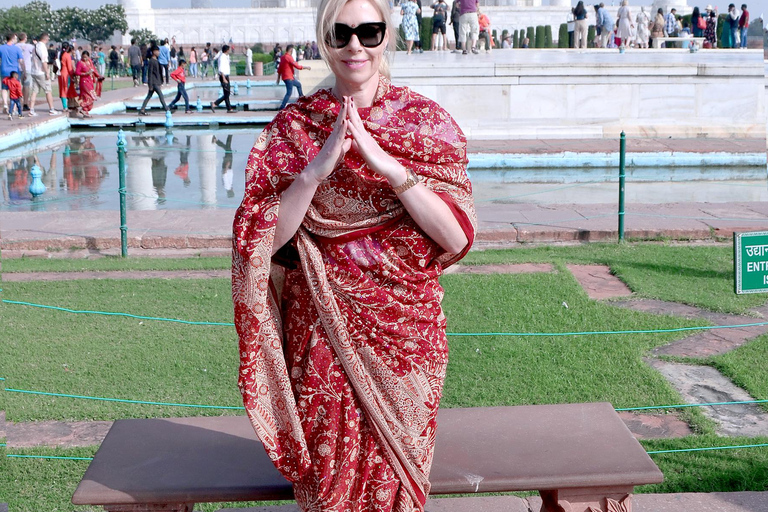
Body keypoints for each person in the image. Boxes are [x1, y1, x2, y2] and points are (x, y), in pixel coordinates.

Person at [232, 0, 476, 510]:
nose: (355, 46)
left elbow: (456, 238)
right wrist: (315, 171)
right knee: (330, 487)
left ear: (388, 35)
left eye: (368, 31)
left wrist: (389, 168)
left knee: (398, 485)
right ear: (325, 40)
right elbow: (262, 241)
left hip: (405, 336)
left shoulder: (424, 123)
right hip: (321, 333)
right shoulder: (295, 130)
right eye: (341, 34)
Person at [29, 32, 58, 116]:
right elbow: (44, 61)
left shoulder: (35, 46)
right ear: (45, 39)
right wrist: (47, 73)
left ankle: (31, 110)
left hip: (34, 71)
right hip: (41, 72)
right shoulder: (42, 47)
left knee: (34, 91)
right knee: (48, 90)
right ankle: (52, 109)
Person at [277, 43, 311, 109]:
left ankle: (301, 98)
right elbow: (297, 66)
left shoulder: (283, 57)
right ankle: (282, 106)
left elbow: (279, 69)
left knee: (298, 85)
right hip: (289, 78)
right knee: (289, 93)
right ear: (291, 50)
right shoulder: (288, 57)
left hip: (287, 78)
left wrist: (278, 78)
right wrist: (306, 67)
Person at [139, 45, 168, 115]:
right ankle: (167, 109)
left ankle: (142, 109)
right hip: (154, 82)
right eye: (157, 51)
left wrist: (160, 82)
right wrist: (150, 84)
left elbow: (158, 73)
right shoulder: (151, 61)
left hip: (157, 82)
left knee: (149, 96)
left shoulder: (156, 61)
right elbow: (150, 73)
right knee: (161, 95)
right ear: (153, 52)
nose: (158, 52)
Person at [0, 33, 23, 114]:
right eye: (15, 38)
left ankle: (5, 104)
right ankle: (14, 109)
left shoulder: (1, 48)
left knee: (4, 88)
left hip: (4, 70)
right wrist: (24, 70)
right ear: (12, 38)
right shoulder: (17, 49)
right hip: (14, 71)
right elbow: (20, 61)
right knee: (15, 89)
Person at [75, 50, 102, 118]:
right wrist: (85, 74)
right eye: (83, 57)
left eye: (86, 57)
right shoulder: (80, 63)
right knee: (90, 97)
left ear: (88, 57)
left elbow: (94, 69)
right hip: (84, 82)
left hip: (90, 81)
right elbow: (77, 72)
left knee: (89, 97)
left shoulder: (89, 61)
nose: (85, 59)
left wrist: (98, 76)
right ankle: (82, 106)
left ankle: (85, 111)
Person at [210, 44, 234, 113]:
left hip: (226, 76)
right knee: (227, 94)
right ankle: (215, 103)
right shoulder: (222, 57)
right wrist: (224, 78)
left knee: (226, 93)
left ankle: (229, 108)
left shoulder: (226, 56)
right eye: (229, 49)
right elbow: (221, 69)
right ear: (226, 50)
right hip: (223, 76)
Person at [16, 33, 34, 112]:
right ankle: (25, 103)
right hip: (27, 67)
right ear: (25, 38)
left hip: (17, 68)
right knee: (26, 86)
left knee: (17, 86)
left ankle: (19, 102)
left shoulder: (15, 46)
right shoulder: (29, 46)